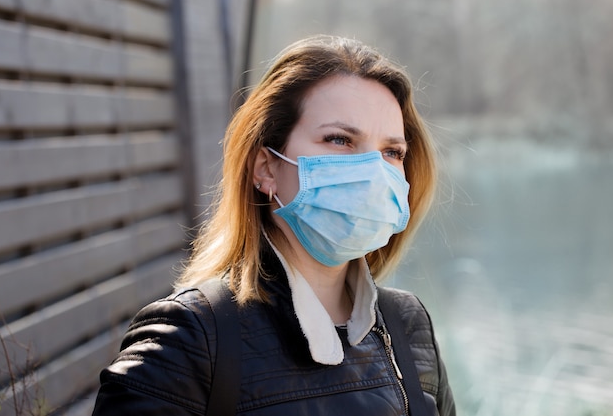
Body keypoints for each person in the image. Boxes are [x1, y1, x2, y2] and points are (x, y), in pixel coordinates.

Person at [92, 35, 456, 416]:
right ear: (266, 167)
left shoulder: (409, 326)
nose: (373, 171)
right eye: (339, 139)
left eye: (391, 152)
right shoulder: (189, 339)